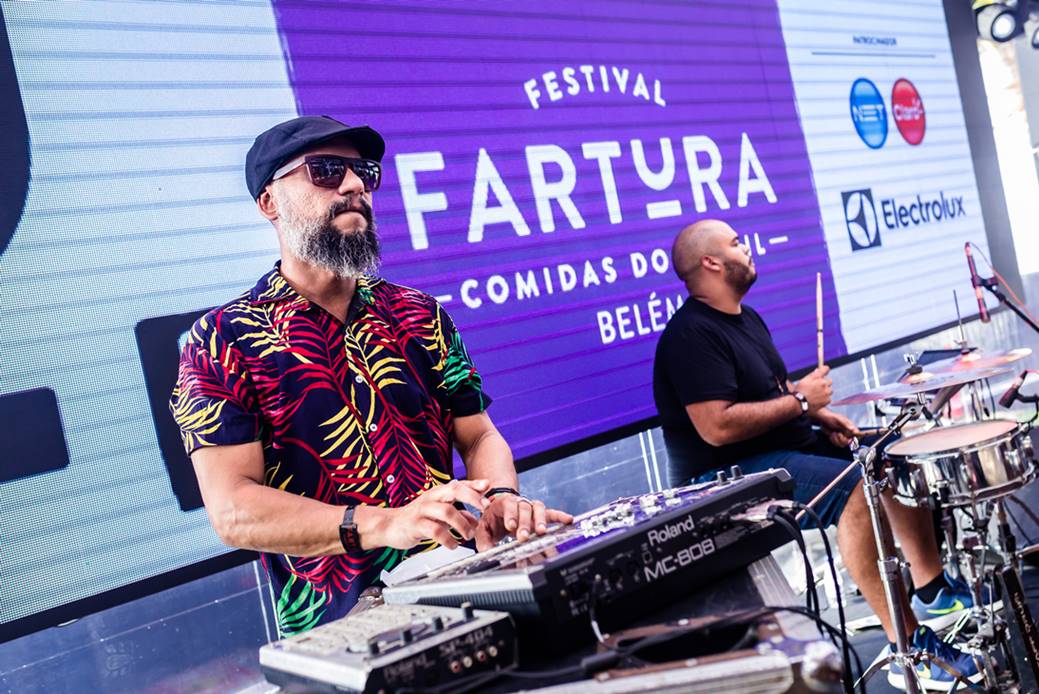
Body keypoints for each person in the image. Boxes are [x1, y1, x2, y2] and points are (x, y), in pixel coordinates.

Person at [170, 115, 571, 635]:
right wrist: (385, 523)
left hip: (468, 584)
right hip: (346, 630)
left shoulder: (418, 313)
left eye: (363, 172)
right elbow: (233, 511)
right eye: (326, 170)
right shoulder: (222, 340)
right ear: (269, 202)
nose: (355, 184)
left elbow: (478, 435)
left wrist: (498, 498)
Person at [653, 219, 984, 691]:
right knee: (854, 490)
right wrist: (804, 402)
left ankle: (932, 589)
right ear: (710, 262)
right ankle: (908, 649)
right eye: (736, 243)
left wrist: (815, 416)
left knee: (888, 454)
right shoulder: (690, 336)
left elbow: (768, 393)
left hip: (778, 449)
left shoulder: (746, 318)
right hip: (721, 479)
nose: (747, 247)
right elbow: (717, 427)